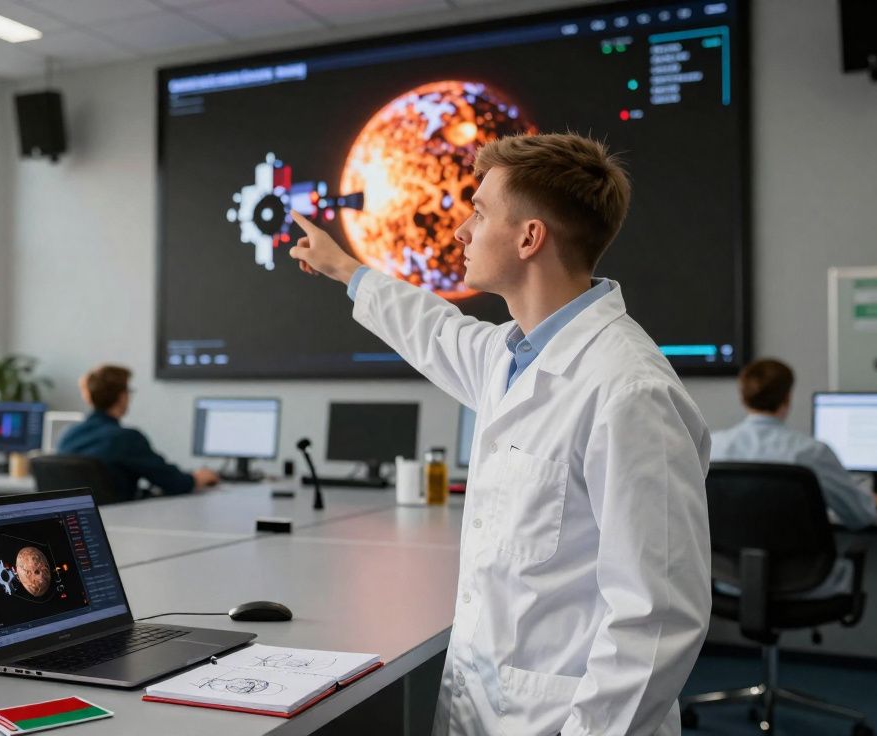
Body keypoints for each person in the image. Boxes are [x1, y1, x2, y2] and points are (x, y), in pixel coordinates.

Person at [288, 132, 711, 736]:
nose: (461, 230)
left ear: (529, 237)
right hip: (487, 706)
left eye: (479, 212)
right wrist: (344, 268)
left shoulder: (628, 391)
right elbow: (430, 329)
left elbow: (658, 618)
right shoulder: (511, 357)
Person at [710, 358, 877, 597]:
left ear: (743, 397)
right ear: (787, 398)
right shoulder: (811, 453)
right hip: (807, 583)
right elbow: (859, 517)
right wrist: (868, 500)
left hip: (730, 580)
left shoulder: (714, 448)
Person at [56, 364, 218, 501]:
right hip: (124, 520)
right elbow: (173, 482)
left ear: (89, 397)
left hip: (85, 525)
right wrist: (199, 477)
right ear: (122, 397)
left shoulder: (68, 435)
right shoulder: (126, 438)